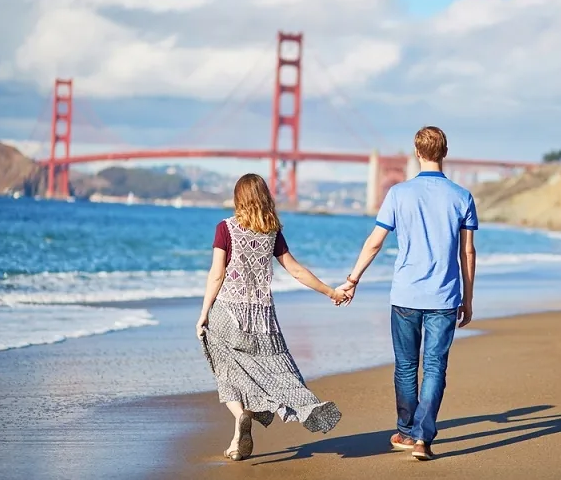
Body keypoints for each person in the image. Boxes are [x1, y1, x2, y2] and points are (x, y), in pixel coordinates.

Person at [337, 126, 478, 461]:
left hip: (405, 297)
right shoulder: (462, 197)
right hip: (444, 296)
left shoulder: (399, 194)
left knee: (405, 366)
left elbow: (375, 241)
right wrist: (468, 298)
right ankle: (422, 439)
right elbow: (467, 253)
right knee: (434, 367)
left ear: (417, 153)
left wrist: (353, 279)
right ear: (445, 152)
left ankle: (406, 430)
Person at [196, 174, 346, 462]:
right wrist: (330, 291)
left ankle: (241, 415)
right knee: (276, 371)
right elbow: (297, 270)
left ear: (239, 198)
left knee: (228, 371)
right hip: (262, 319)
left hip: (227, 313)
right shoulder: (272, 232)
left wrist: (203, 314)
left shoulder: (225, 228)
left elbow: (217, 275)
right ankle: (255, 428)